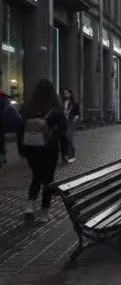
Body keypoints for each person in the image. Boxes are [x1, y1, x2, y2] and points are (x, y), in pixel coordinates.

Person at [17, 79, 67, 223]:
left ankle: (30, 204)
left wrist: (21, 149)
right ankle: (44, 213)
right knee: (48, 180)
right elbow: (63, 134)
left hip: (31, 147)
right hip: (50, 148)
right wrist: (64, 152)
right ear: (52, 92)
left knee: (37, 175)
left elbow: (20, 129)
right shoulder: (57, 110)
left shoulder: (26, 108)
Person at [59, 89, 79, 164]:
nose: (65, 94)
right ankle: (64, 156)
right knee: (62, 139)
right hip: (63, 122)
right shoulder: (61, 103)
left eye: (67, 93)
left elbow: (77, 113)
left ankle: (72, 156)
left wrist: (75, 119)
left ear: (70, 94)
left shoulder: (74, 103)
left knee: (68, 138)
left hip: (71, 122)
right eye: (64, 93)